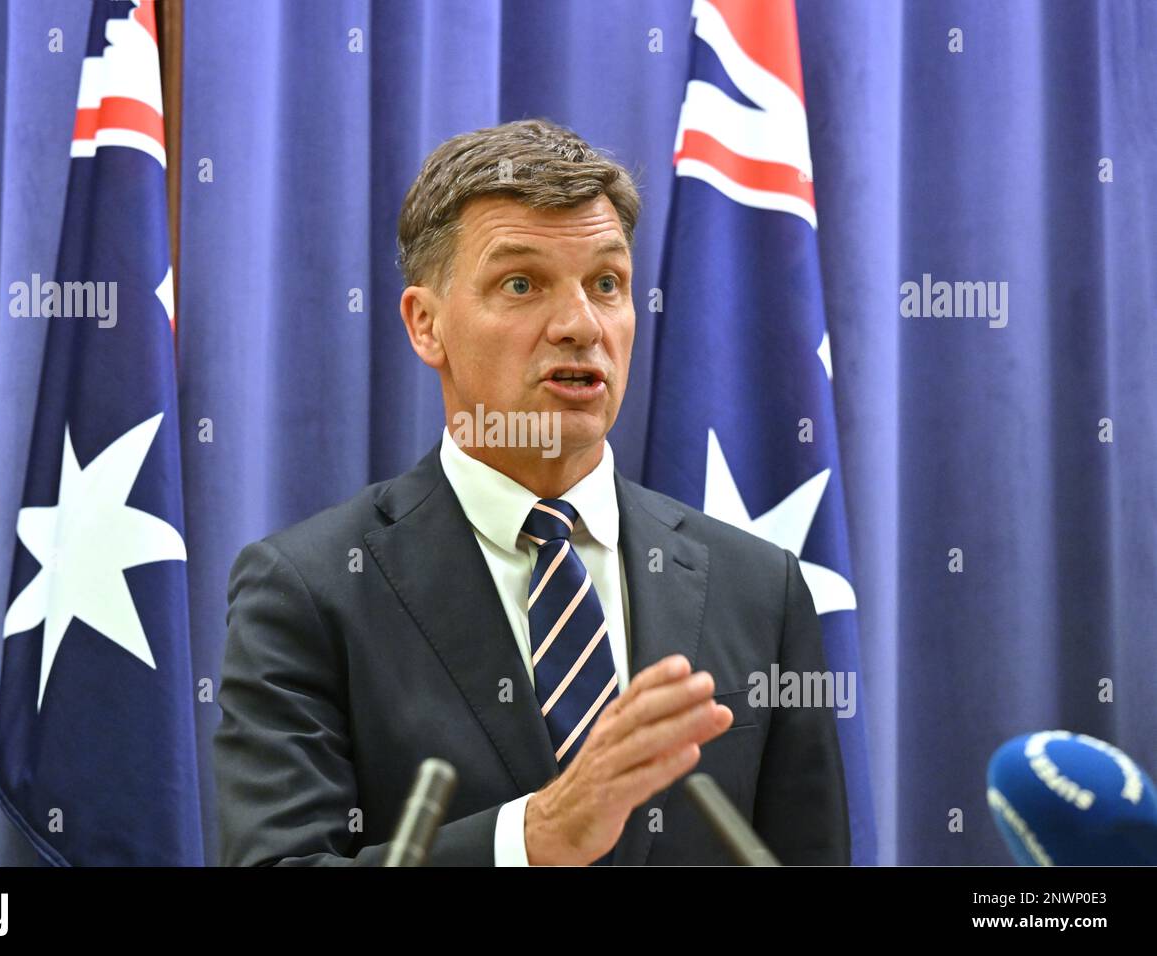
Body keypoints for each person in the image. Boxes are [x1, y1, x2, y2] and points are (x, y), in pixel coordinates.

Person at [214, 118, 850, 866]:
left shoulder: (760, 588)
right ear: (426, 325)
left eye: (606, 284)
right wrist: (532, 837)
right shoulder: (307, 592)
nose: (581, 325)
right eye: (522, 283)